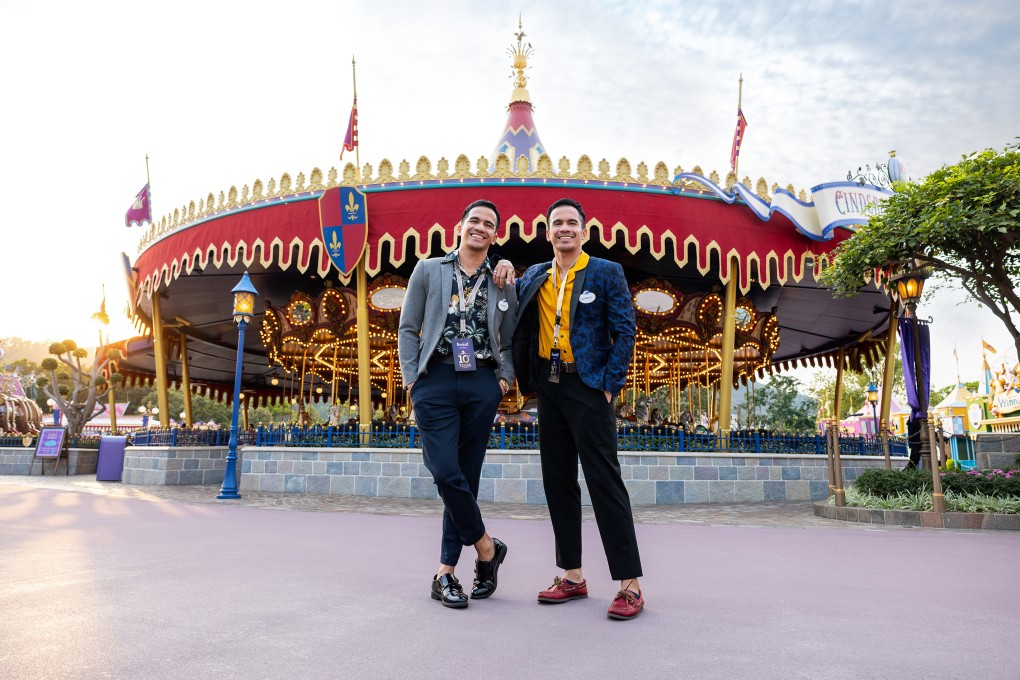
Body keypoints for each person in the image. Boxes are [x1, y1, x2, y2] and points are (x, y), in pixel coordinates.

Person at [512, 197, 645, 620]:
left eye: (572, 223)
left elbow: (625, 332)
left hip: (589, 389)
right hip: (549, 390)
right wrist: (499, 264)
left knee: (605, 483)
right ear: (546, 231)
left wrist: (609, 386)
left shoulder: (607, 272)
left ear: (584, 231)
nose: (564, 229)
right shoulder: (533, 275)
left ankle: (629, 585)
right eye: (557, 223)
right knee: (558, 483)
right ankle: (572, 575)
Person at [398, 199, 518, 609]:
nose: (480, 228)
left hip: (482, 380)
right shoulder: (429, 269)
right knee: (446, 471)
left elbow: (512, 334)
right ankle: (487, 549)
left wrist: (503, 377)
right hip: (436, 378)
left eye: (489, 224)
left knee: (466, 475)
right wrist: (412, 379)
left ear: (495, 235)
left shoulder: (503, 279)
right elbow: (408, 326)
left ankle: (445, 572)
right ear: (460, 225)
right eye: (475, 221)